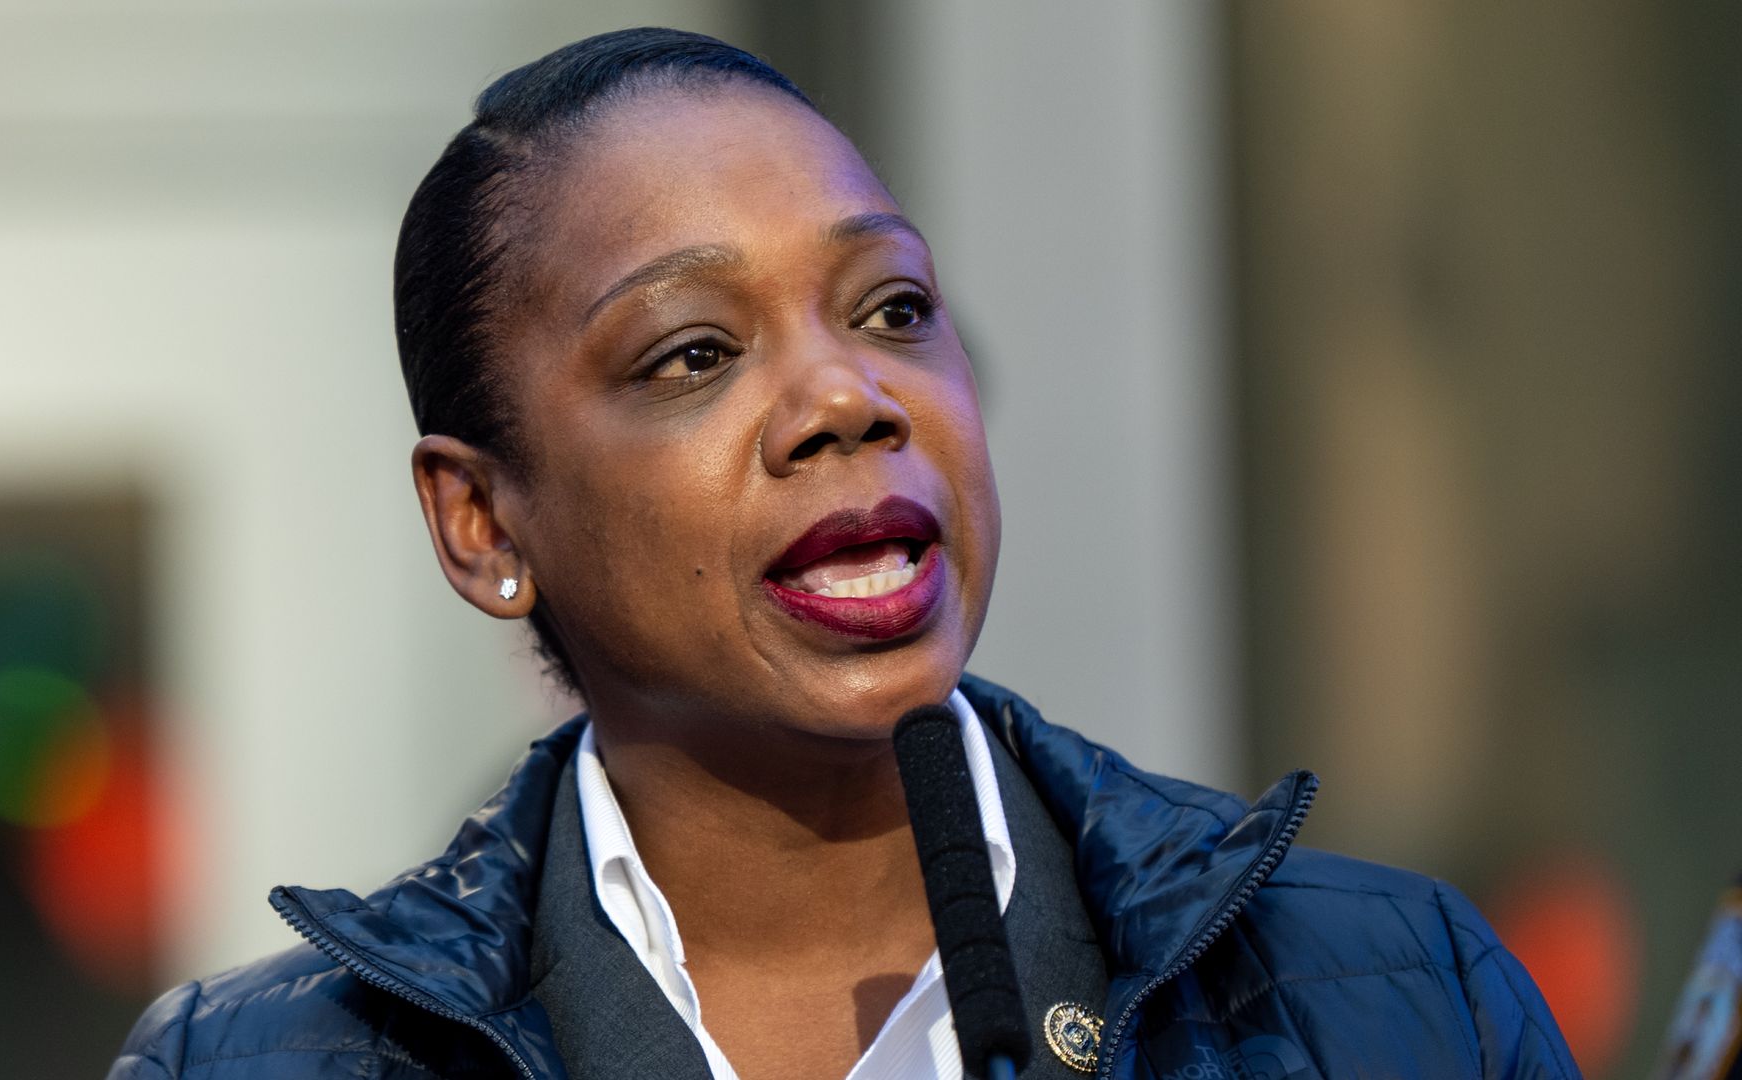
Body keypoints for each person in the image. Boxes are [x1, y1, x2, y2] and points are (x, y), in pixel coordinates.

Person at [107, 27, 1579, 1080]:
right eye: (691, 353)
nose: (843, 399)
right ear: (483, 524)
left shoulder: (1402, 997)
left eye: (891, 310)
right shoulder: (251, 1064)